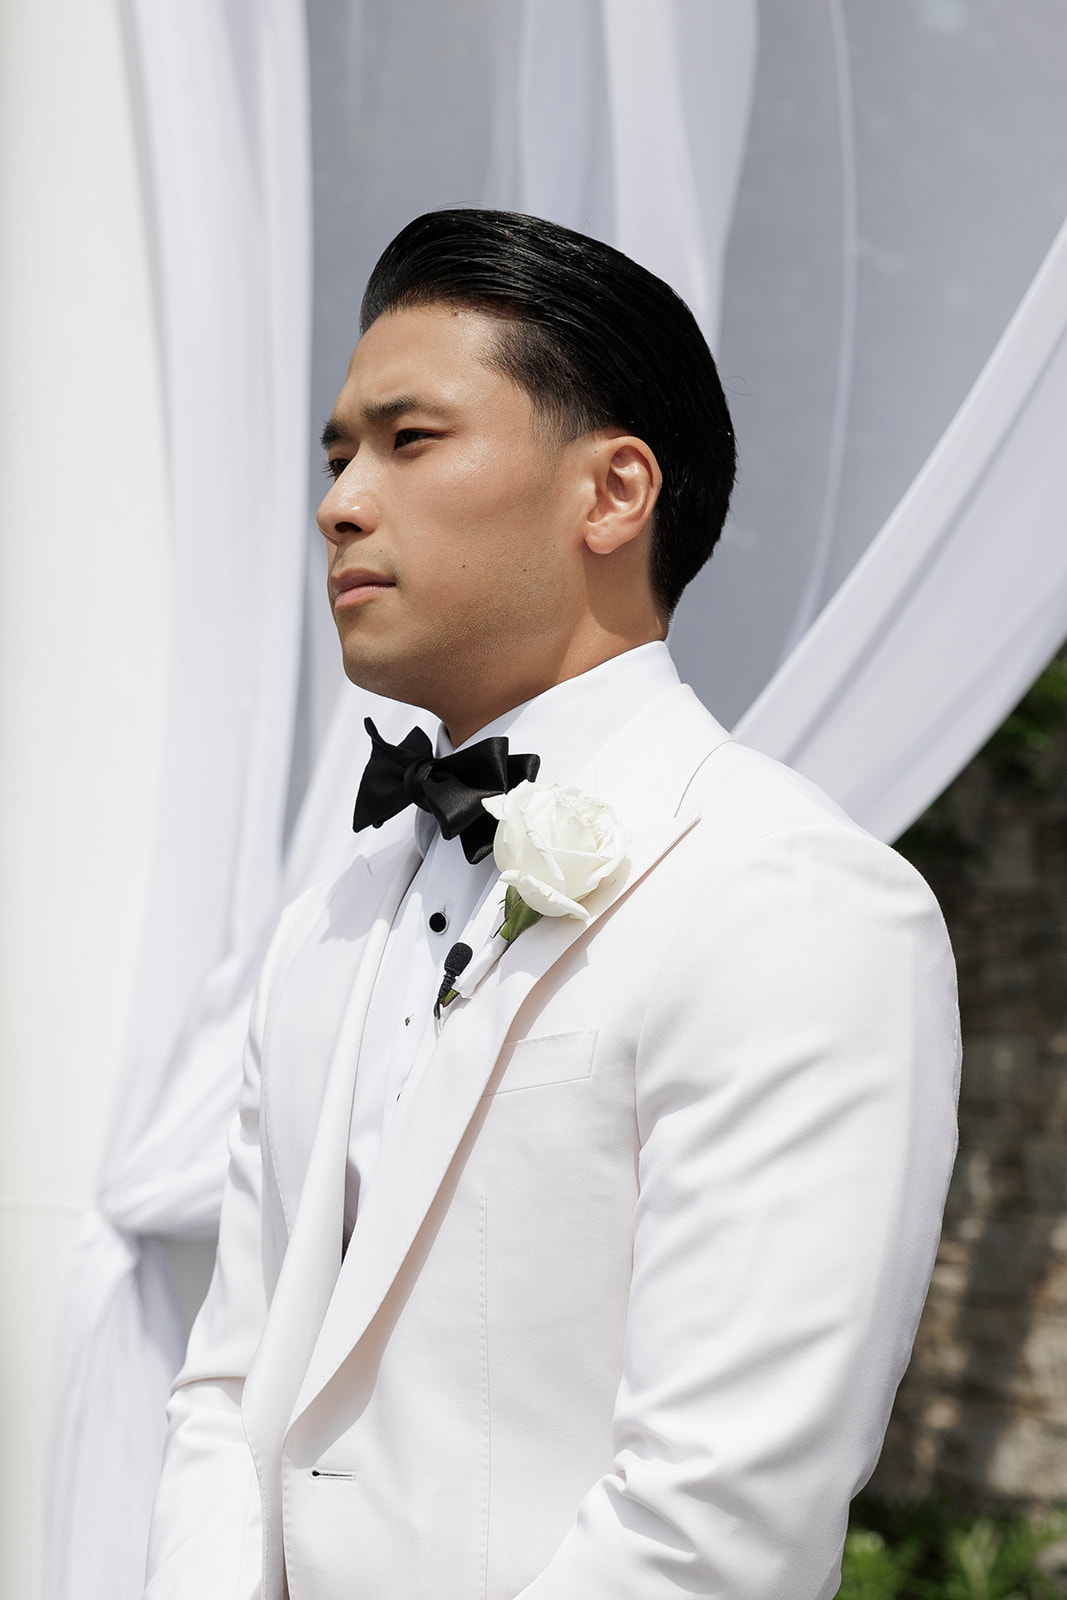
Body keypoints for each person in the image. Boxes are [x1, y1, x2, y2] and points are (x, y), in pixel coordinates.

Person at [144, 209, 959, 1600]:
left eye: (409, 440)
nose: (340, 502)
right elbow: (231, 1387)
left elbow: (718, 1518)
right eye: (338, 457)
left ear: (613, 492)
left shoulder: (792, 898)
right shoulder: (329, 918)